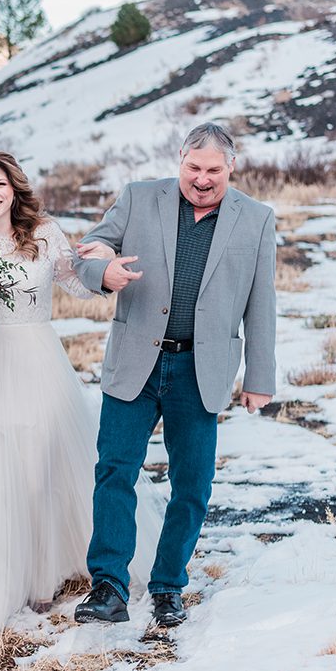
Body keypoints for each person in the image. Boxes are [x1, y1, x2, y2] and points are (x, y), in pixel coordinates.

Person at [0, 151, 165, 633]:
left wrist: (105, 270)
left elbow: (78, 283)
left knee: (37, 464)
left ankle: (43, 576)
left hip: (35, 357)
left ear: (14, 189)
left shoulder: (44, 233)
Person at [72, 122, 276, 627]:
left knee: (193, 483)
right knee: (115, 471)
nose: (201, 179)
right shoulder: (140, 198)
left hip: (200, 369)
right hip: (136, 361)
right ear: (179, 160)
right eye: (192, 167)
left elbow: (262, 302)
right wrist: (104, 271)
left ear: (231, 167)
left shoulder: (256, 218)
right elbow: (90, 248)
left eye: (212, 170)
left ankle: (167, 586)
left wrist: (260, 377)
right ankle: (109, 586)